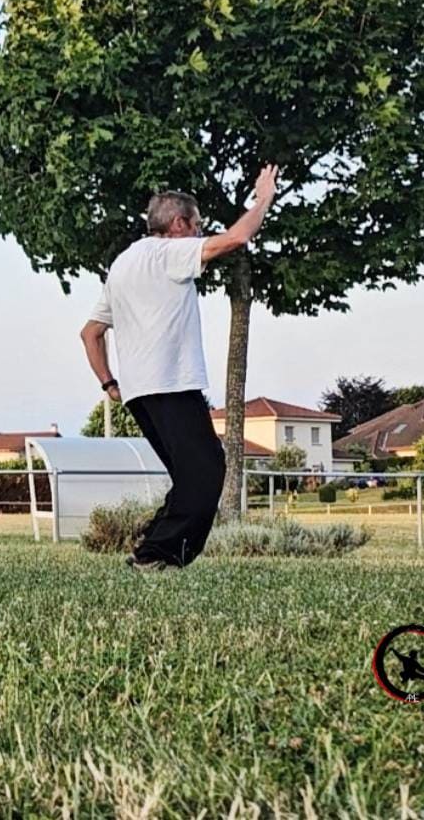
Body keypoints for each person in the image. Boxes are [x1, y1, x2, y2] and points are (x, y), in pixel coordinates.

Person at [79, 165, 279, 569]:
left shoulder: (122, 263)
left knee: (189, 477)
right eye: (198, 225)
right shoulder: (169, 251)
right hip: (170, 383)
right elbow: (237, 238)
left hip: (138, 392)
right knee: (207, 474)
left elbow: (90, 333)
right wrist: (264, 199)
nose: (201, 233)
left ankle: (151, 548)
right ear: (178, 223)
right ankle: (156, 554)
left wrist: (109, 384)